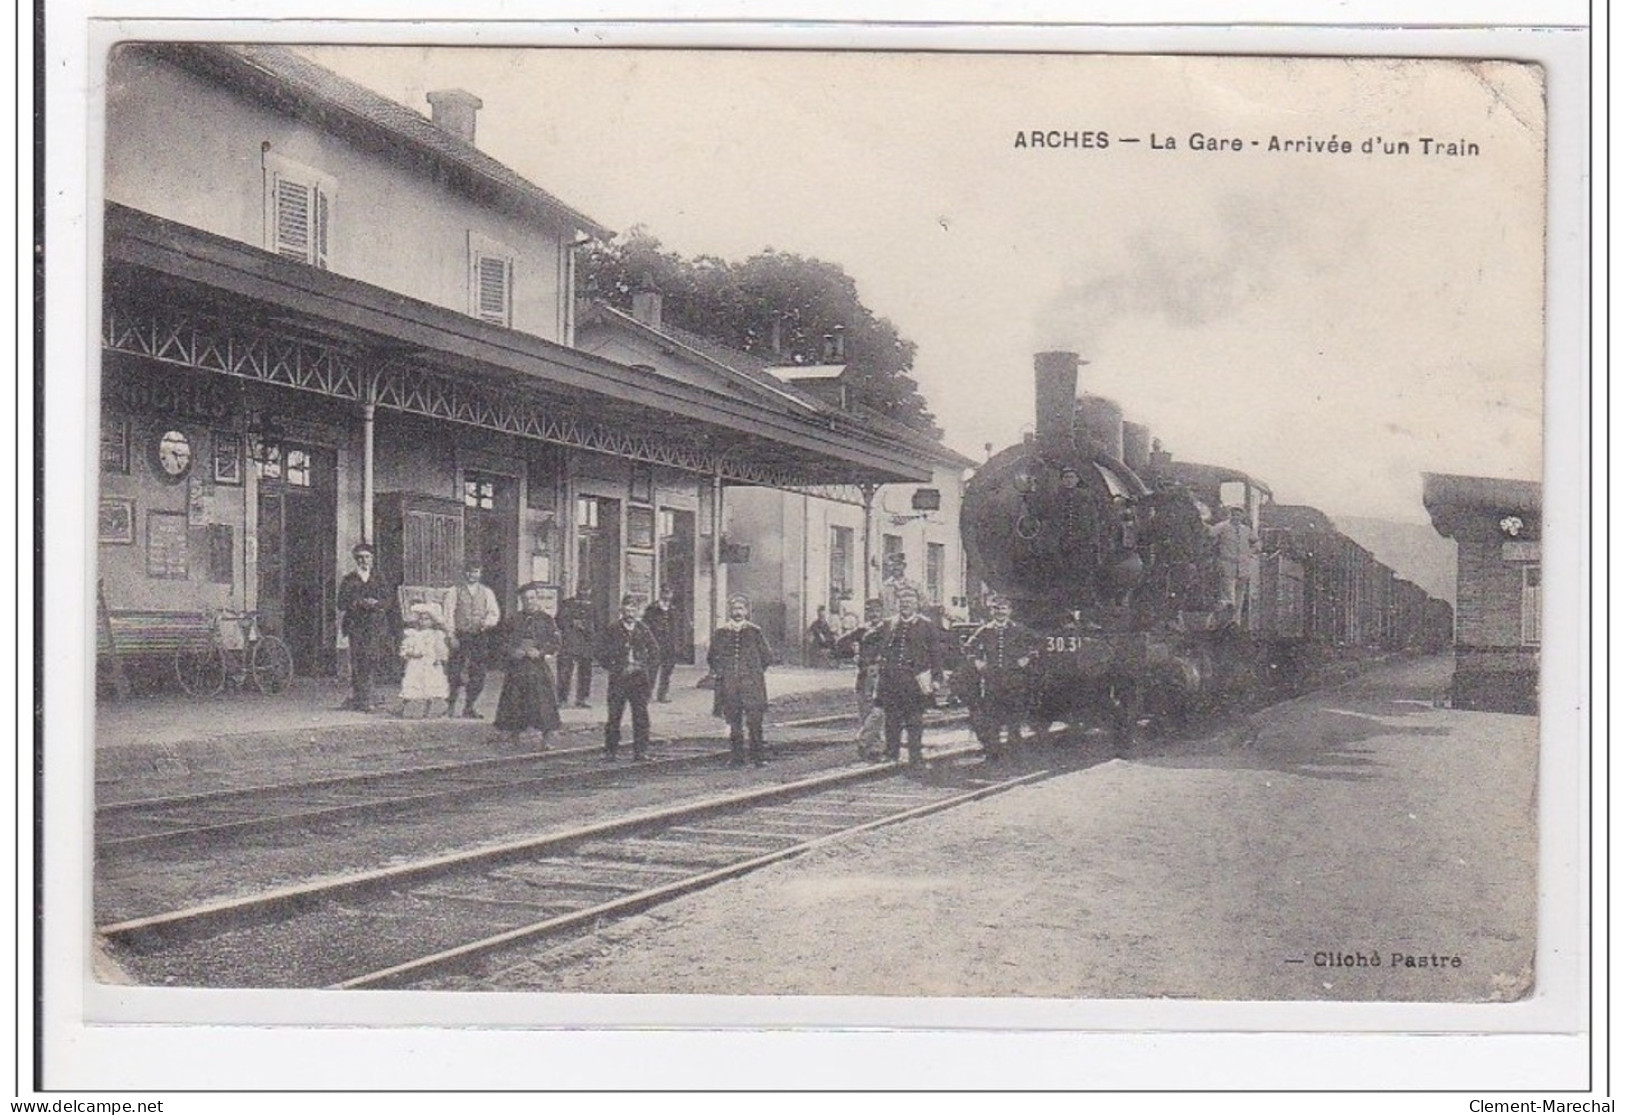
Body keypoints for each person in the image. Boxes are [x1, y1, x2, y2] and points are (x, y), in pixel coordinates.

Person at [874, 584, 944, 765]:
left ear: (916, 604)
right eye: (902, 601)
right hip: (891, 680)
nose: (905, 604)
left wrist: (937, 678)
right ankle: (891, 753)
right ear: (898, 604)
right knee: (891, 719)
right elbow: (872, 641)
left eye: (909, 601)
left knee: (914, 719)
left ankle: (915, 755)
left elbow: (936, 653)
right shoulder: (889, 624)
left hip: (915, 680)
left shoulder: (926, 625)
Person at [962, 594, 1036, 760]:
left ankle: (1015, 752)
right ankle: (993, 753)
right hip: (992, 680)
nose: (1000, 612)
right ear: (991, 611)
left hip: (1014, 679)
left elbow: (1036, 644)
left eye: (1003, 609)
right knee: (992, 718)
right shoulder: (985, 630)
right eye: (996, 609)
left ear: (1010, 611)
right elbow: (968, 647)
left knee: (1014, 718)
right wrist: (977, 661)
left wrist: (1027, 658)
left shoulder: (1019, 629)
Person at [493, 581, 563, 749]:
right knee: (514, 701)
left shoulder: (547, 620)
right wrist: (512, 651)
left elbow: (555, 642)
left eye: (532, 598)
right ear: (521, 601)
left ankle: (546, 739)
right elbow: (502, 641)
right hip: (518, 667)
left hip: (537, 667)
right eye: (525, 599)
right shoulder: (514, 619)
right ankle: (513, 737)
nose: (529, 602)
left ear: (537, 599)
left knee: (543, 702)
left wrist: (540, 652)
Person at [709, 595, 777, 767]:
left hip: (752, 685)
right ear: (730, 611)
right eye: (734, 609)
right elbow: (712, 657)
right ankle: (737, 758)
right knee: (734, 722)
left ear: (746, 611)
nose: (737, 612)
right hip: (730, 685)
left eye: (741, 608)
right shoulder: (721, 632)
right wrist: (722, 672)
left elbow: (767, 657)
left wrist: (754, 673)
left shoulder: (755, 631)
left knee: (755, 722)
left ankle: (758, 757)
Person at [595, 594, 662, 761]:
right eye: (627, 608)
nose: (630, 612)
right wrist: (614, 667)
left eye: (634, 609)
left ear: (638, 611)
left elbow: (655, 652)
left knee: (640, 716)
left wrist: (644, 667)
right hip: (619, 678)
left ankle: (641, 751)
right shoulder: (613, 629)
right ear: (622, 610)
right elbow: (600, 652)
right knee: (614, 716)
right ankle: (611, 751)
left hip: (639, 679)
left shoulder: (643, 629)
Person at [337, 542, 393, 712]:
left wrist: (377, 603)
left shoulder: (379, 578)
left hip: (375, 625)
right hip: (356, 625)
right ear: (356, 559)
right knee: (358, 659)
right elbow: (341, 603)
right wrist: (359, 603)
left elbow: (389, 600)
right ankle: (361, 697)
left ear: (372, 558)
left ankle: (367, 696)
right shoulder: (349, 579)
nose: (364, 560)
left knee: (371, 659)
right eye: (360, 557)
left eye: (367, 557)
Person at [441, 559, 501, 719]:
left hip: (479, 636)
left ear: (480, 573)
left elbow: (494, 613)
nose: (472, 575)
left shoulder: (487, 592)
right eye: (469, 571)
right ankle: (451, 705)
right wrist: (451, 635)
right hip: (460, 636)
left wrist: (486, 623)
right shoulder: (454, 591)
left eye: (475, 571)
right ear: (464, 573)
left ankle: (469, 706)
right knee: (455, 671)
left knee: (478, 672)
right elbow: (448, 615)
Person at [836, 598, 889, 759]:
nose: (874, 614)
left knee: (879, 709)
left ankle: (865, 739)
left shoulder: (889, 629)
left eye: (877, 611)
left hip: (882, 672)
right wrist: (854, 652)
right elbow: (840, 643)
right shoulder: (862, 630)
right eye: (870, 611)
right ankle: (874, 747)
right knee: (865, 708)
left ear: (882, 612)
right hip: (864, 673)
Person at [398, 602, 452, 719]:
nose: (423, 622)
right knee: (412, 684)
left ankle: (429, 710)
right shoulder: (412, 634)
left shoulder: (436, 634)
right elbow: (405, 647)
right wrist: (409, 653)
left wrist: (439, 659)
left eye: (427, 619)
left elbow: (440, 649)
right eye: (421, 619)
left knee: (430, 686)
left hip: (430, 663)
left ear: (432, 621)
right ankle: (405, 708)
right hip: (415, 663)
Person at [1209, 505, 1261, 624]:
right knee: (1228, 598)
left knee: (1239, 599)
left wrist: (1250, 552)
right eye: (1234, 513)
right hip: (1227, 565)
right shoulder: (1222, 527)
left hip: (1243, 568)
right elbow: (1210, 536)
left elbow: (1257, 543)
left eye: (1239, 514)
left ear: (1243, 516)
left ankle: (1235, 624)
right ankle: (1225, 624)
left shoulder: (1246, 530)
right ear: (1230, 514)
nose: (1236, 516)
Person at [555, 587, 598, 708]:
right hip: (570, 642)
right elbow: (559, 621)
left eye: (587, 592)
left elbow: (598, 624)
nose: (584, 594)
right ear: (577, 591)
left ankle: (582, 699)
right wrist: (571, 622)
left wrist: (592, 635)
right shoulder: (567, 604)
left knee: (585, 672)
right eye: (582, 591)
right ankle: (562, 699)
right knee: (565, 671)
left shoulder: (592, 606)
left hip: (586, 643)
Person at [642, 586, 681, 702]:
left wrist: (676, 644)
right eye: (665, 592)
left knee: (667, 671)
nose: (667, 595)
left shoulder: (673, 609)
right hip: (655, 643)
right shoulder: (652, 608)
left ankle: (662, 695)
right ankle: (647, 695)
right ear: (661, 593)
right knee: (652, 670)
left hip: (669, 645)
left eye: (669, 593)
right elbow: (646, 626)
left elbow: (676, 628)